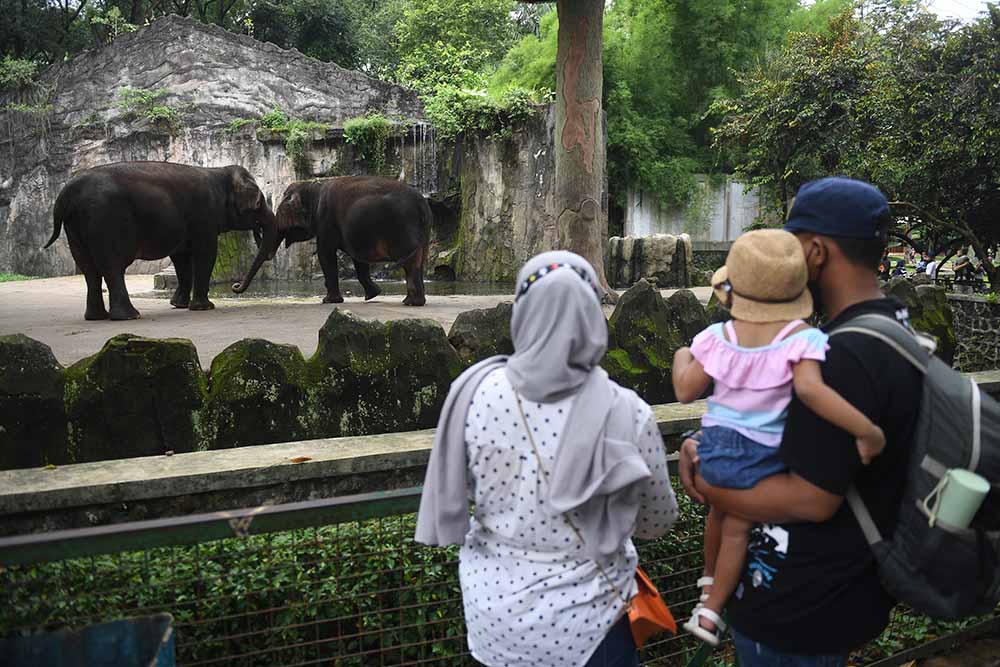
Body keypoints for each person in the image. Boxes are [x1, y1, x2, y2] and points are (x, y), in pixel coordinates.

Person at [678, 176, 922, 667]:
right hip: (833, 593)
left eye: (791, 244)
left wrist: (709, 479)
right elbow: (791, 434)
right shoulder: (890, 328)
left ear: (815, 251)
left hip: (797, 607)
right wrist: (704, 437)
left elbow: (811, 500)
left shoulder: (844, 355)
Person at [416, 251, 679, 667]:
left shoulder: (474, 393)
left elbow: (455, 494)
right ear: (594, 316)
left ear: (523, 312)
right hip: (592, 628)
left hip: (496, 623)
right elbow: (656, 522)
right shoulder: (627, 412)